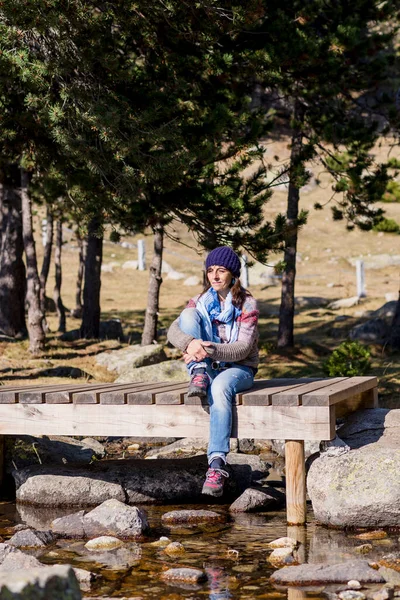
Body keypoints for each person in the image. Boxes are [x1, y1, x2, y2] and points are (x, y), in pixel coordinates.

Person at [167, 246, 259, 497]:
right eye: (210, 271)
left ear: (233, 275)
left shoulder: (247, 304)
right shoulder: (200, 301)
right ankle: (197, 372)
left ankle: (217, 464)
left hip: (239, 369)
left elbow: (241, 349)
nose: (215, 276)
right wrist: (190, 344)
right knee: (187, 315)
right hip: (206, 364)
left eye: (221, 271)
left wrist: (209, 349)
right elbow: (173, 332)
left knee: (219, 388)